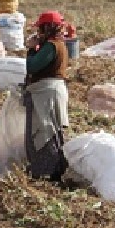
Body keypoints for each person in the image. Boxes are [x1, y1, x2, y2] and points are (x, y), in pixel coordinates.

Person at [23, 10, 71, 180]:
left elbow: (32, 66)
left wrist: (30, 50)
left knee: (44, 131)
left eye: (41, 29)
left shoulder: (51, 45)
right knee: (51, 130)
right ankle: (53, 169)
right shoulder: (58, 44)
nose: (38, 33)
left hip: (46, 94)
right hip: (51, 92)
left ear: (47, 28)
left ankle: (45, 170)